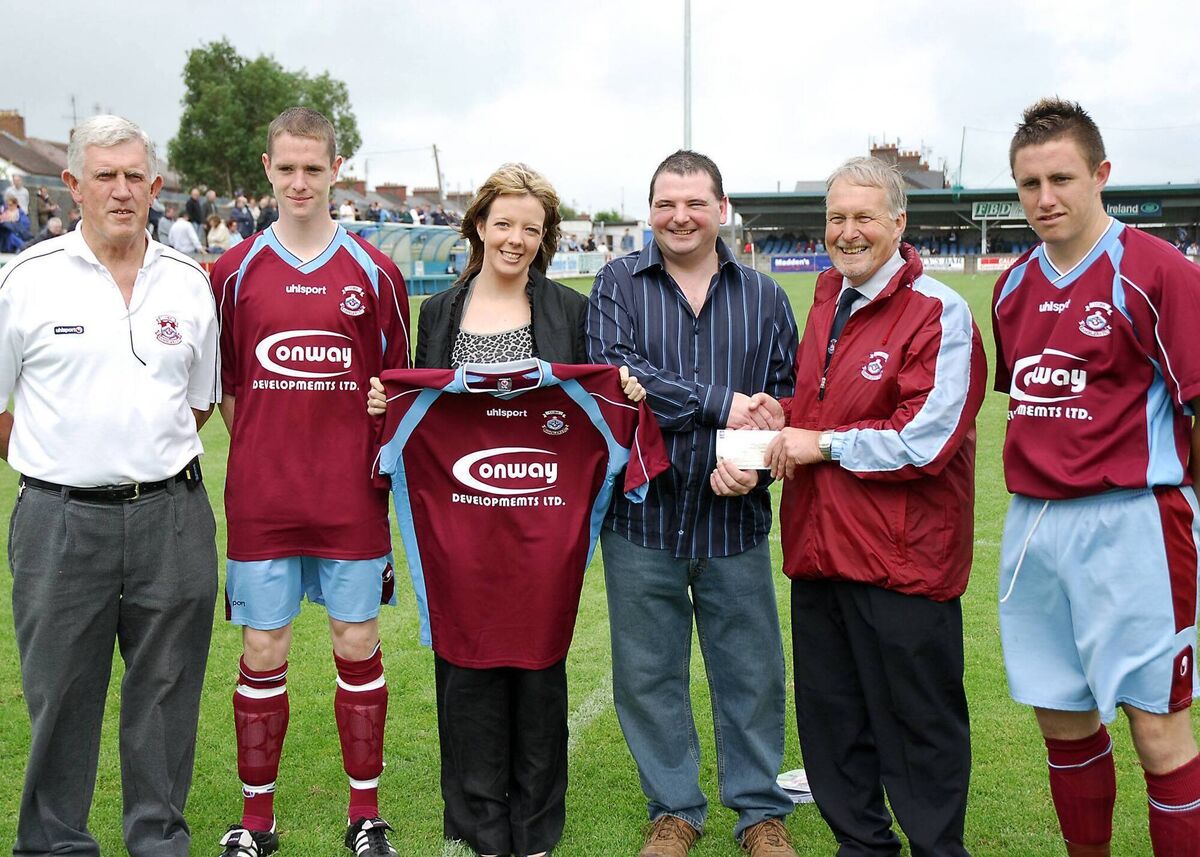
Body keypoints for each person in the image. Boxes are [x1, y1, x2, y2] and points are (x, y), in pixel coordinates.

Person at [366, 162, 646, 857]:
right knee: (466, 672)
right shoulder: (438, 313)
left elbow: (592, 404)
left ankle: (536, 828)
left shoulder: (569, 313)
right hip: (459, 526)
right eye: (504, 224)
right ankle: (478, 824)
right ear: (479, 226)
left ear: (545, 236)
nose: (515, 239)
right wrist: (385, 403)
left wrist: (626, 391)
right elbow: (419, 406)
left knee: (538, 670)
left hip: (541, 524)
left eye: (531, 227)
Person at [0, 114, 219, 857]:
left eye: (135, 176)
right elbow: (2, 409)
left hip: (172, 516)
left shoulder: (190, 283)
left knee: (165, 697)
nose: (122, 191)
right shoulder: (24, 280)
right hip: (60, 523)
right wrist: (64, 467)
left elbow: (198, 401)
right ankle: (56, 844)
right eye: (105, 175)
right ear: (72, 184)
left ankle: (158, 841)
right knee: (61, 697)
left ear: (156, 186)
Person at [992, 98, 1200, 857]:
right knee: (1063, 717)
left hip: (1135, 522)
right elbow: (1033, 396)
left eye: (1061, 178)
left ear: (1101, 174)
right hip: (1034, 527)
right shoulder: (1013, 288)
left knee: (1158, 725)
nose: (1045, 199)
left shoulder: (1158, 270)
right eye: (1028, 184)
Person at [761, 156, 985, 857]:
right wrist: (782, 419)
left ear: (898, 221)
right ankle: (861, 848)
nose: (847, 232)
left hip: (902, 564)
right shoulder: (827, 297)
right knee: (833, 730)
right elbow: (828, 407)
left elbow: (926, 439)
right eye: (836, 218)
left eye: (863, 217)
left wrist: (819, 441)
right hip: (820, 553)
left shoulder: (939, 311)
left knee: (919, 732)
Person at [584, 150, 800, 857]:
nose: (681, 216)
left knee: (752, 670)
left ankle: (759, 812)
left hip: (733, 517)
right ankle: (673, 807)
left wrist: (750, 465)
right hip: (642, 514)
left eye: (695, 203)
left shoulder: (766, 298)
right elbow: (620, 380)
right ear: (650, 210)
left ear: (722, 208)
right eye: (667, 203)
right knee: (648, 672)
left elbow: (783, 402)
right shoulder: (617, 282)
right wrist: (721, 406)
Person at [209, 106, 410, 857]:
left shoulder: (376, 273)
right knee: (263, 648)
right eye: (286, 167)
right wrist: (270, 448)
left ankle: (366, 815)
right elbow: (228, 388)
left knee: (356, 640)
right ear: (267, 169)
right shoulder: (231, 273)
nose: (299, 181)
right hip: (264, 498)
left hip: (350, 495)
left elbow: (396, 385)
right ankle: (256, 820)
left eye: (313, 168)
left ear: (335, 170)